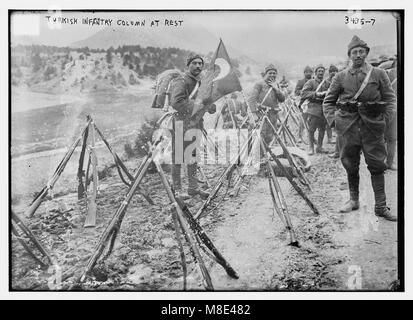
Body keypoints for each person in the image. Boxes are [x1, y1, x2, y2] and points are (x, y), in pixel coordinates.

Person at [323, 35, 397, 221]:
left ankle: (380, 206)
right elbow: (328, 102)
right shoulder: (340, 76)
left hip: (372, 127)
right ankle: (353, 200)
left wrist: (385, 120)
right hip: (348, 128)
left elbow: (390, 99)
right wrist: (334, 122)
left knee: (377, 165)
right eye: (354, 52)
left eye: (361, 52)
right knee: (350, 163)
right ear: (349, 55)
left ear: (366, 54)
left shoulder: (379, 74)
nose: (358, 55)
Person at [169, 53, 215, 200]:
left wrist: (210, 105)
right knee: (178, 157)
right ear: (188, 65)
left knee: (193, 156)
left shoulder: (201, 82)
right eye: (194, 63)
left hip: (195, 123)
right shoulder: (180, 80)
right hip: (180, 123)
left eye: (200, 64)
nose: (198, 66)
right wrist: (198, 105)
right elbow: (176, 102)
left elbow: (206, 103)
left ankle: (193, 188)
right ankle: (177, 191)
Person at [249, 64, 285, 147]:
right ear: (266, 74)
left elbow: (282, 99)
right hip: (262, 113)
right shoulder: (259, 84)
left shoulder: (276, 85)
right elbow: (252, 99)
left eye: (274, 73)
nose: (272, 75)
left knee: (270, 135)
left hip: (273, 114)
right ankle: (259, 156)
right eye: (270, 73)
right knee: (261, 134)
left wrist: (276, 89)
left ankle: (265, 155)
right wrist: (253, 114)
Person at [301, 64, 330, 155]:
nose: (321, 73)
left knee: (322, 128)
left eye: (322, 71)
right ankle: (311, 148)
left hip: (324, 108)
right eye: (319, 71)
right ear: (316, 72)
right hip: (313, 108)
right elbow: (304, 94)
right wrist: (317, 94)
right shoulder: (311, 82)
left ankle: (319, 147)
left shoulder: (327, 83)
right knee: (311, 129)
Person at [382, 57, 397, 170]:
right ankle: (381, 163)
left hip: (395, 110)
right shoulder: (386, 73)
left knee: (392, 137)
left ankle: (389, 163)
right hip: (386, 109)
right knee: (382, 137)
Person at [295, 66, 314, 142]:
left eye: (310, 72)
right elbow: (296, 92)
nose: (308, 73)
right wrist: (303, 92)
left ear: (312, 73)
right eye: (307, 72)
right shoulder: (300, 82)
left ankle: (311, 137)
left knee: (312, 122)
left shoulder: (314, 81)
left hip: (312, 104)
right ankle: (299, 136)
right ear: (304, 73)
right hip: (303, 104)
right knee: (302, 121)